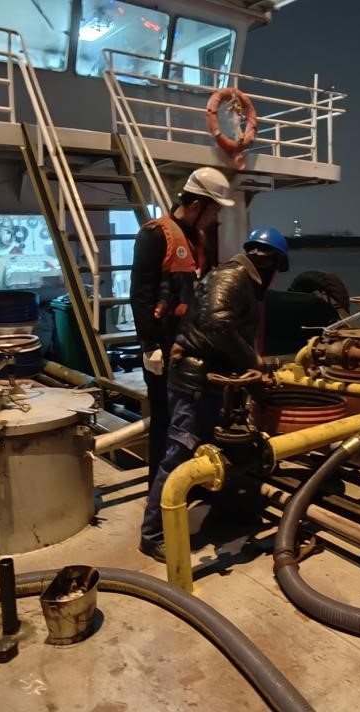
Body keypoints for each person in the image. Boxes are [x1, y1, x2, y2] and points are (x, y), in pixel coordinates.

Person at [138, 228, 289, 563]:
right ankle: (153, 535)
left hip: (209, 382)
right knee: (180, 455)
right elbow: (218, 325)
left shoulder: (236, 277)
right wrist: (254, 361)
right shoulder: (233, 277)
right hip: (196, 384)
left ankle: (224, 509)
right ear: (272, 263)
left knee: (217, 451)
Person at [129, 167, 235, 487]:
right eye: (212, 211)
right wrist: (149, 345)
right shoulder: (154, 235)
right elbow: (140, 294)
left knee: (186, 419)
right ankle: (158, 491)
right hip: (161, 348)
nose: (213, 219)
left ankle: (183, 483)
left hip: (184, 345)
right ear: (196, 205)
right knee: (164, 420)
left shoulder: (193, 239)